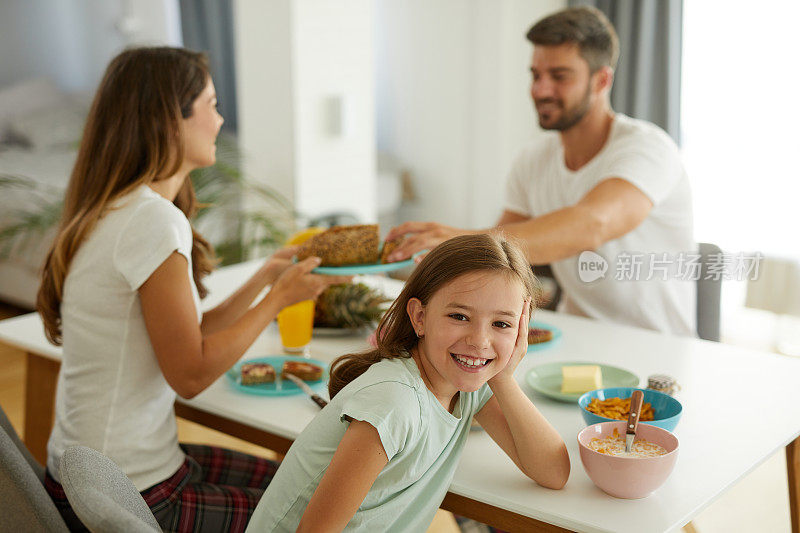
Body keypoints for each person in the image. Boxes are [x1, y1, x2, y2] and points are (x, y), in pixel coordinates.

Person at [36, 47, 348, 532]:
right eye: (212, 103)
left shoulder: (117, 210)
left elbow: (187, 335)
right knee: (332, 512)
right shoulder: (151, 221)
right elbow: (190, 373)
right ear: (171, 120)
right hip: (133, 494)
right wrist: (280, 300)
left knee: (318, 484)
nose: (221, 120)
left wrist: (266, 277)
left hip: (93, 477)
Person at [385, 6, 696, 337]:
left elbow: (593, 224)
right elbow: (502, 258)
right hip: (575, 334)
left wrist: (463, 240)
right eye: (536, 75)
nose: (540, 90)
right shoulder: (533, 160)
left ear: (601, 80)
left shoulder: (649, 148)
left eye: (559, 76)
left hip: (658, 344)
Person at [246, 234, 570, 532]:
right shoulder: (393, 403)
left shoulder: (466, 385)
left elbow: (553, 472)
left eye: (502, 323)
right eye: (459, 316)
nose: (480, 340)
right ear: (419, 317)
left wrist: (502, 375)